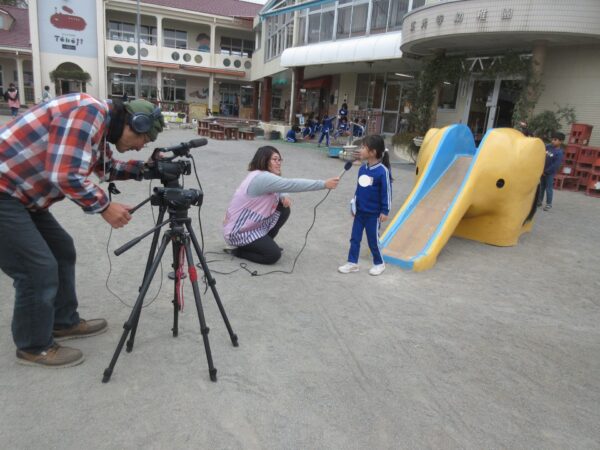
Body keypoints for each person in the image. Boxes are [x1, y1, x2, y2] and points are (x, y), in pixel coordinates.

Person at [0, 93, 165, 368]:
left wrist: (146, 169)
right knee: (36, 268)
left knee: (62, 251)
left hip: (21, 196)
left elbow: (106, 168)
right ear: (133, 123)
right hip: (5, 192)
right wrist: (105, 207)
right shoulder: (88, 112)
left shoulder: (100, 128)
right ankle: (33, 346)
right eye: (143, 140)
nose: (140, 147)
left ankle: (62, 322)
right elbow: (64, 174)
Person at [223, 146, 340, 264]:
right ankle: (237, 251)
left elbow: (280, 186)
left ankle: (263, 243)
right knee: (272, 256)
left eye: (280, 160)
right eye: (275, 159)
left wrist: (283, 195)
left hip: (250, 226)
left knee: (283, 208)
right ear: (264, 160)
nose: (279, 163)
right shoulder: (262, 178)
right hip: (238, 232)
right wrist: (324, 184)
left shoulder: (261, 175)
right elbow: (290, 184)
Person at [338, 135, 392, 276]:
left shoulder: (383, 171)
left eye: (363, 147)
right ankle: (352, 263)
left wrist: (385, 211)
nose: (360, 150)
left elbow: (386, 192)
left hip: (373, 215)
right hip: (360, 213)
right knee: (354, 238)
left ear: (373, 152)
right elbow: (359, 189)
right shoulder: (362, 169)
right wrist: (354, 204)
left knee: (373, 240)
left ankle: (379, 263)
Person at [537, 131, 565, 211]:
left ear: (560, 141)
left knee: (548, 188)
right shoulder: (548, 147)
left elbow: (556, 165)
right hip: (542, 171)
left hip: (549, 174)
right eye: (552, 139)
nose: (553, 141)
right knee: (541, 187)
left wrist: (546, 172)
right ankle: (539, 201)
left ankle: (549, 204)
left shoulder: (559, 153)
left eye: (555, 140)